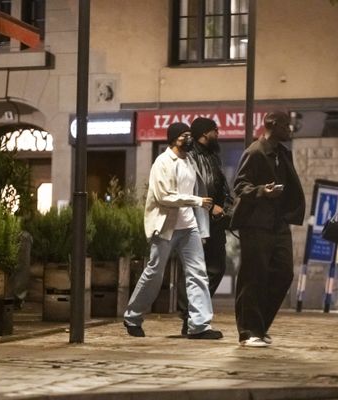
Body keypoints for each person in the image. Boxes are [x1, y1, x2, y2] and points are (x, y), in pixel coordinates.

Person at [123, 122, 223, 340]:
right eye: (184, 136)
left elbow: (198, 188)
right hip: (165, 227)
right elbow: (164, 197)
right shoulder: (162, 162)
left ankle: (199, 325)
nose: (188, 139)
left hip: (189, 227)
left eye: (189, 135)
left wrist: (201, 222)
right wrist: (196, 201)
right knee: (154, 273)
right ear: (173, 139)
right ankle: (132, 317)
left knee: (198, 274)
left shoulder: (189, 161)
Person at [230, 110, 306, 347]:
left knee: (284, 274)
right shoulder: (255, 152)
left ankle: (259, 325)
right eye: (285, 125)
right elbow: (240, 186)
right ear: (271, 125)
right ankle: (248, 331)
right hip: (255, 224)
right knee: (254, 276)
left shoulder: (283, 153)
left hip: (278, 223)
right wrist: (263, 190)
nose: (289, 130)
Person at [176, 117, 234, 336]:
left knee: (217, 268)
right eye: (214, 130)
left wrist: (225, 208)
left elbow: (223, 187)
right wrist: (210, 208)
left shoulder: (213, 157)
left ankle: (196, 313)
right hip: (196, 220)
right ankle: (191, 317)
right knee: (193, 269)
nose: (218, 134)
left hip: (215, 222)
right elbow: (190, 188)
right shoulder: (190, 157)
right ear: (204, 133)